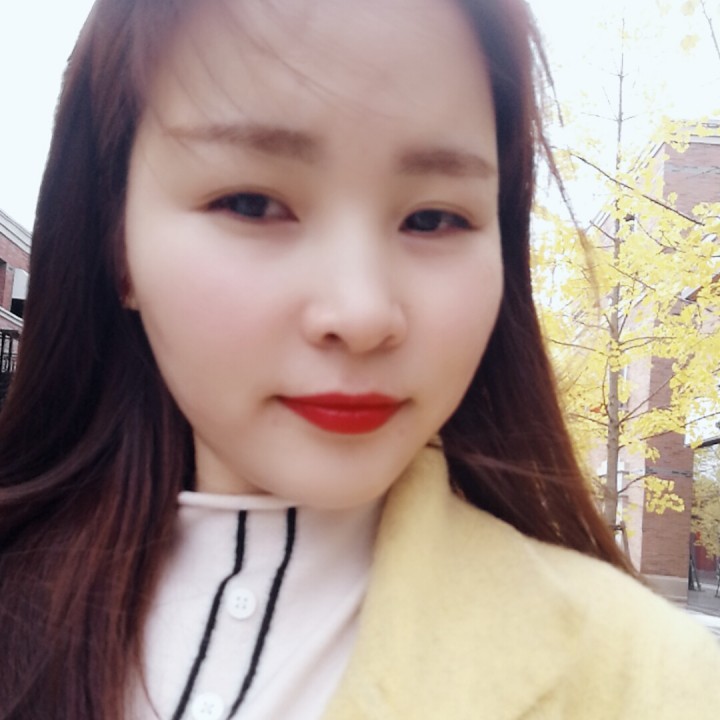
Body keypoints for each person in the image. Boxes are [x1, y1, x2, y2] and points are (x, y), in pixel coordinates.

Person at [1, 0, 719, 718]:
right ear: (118, 244)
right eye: (251, 203)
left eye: (433, 218)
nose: (362, 313)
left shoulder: (648, 680)